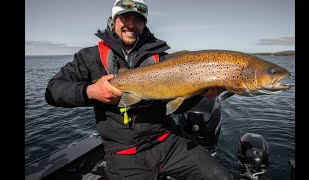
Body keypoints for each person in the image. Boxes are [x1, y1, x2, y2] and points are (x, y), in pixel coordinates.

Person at [45, 0, 234, 179]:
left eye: (137, 19)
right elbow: (53, 91)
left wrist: (199, 94)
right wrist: (89, 92)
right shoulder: (88, 57)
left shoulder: (163, 58)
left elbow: (177, 105)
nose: (131, 24)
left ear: (144, 24)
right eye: (125, 17)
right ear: (113, 21)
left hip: (169, 141)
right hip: (124, 153)